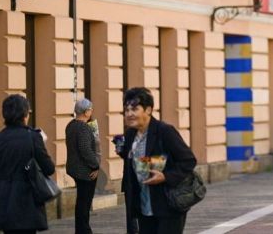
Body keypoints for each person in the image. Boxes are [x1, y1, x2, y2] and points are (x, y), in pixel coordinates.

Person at [120, 87, 197, 234]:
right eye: (126, 110)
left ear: (148, 110)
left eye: (134, 109)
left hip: (167, 205)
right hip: (143, 206)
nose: (129, 114)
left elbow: (188, 160)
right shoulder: (130, 135)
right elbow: (140, 162)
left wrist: (165, 176)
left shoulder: (164, 131)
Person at [0, 94, 56, 234]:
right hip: (28, 203)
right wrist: (41, 145)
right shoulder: (33, 137)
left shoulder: (0, 138)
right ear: (25, 114)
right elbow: (49, 168)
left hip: (4, 202)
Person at [66, 98, 101, 234]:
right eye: (91, 109)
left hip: (74, 168)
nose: (92, 112)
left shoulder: (70, 125)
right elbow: (85, 149)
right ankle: (84, 230)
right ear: (86, 112)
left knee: (81, 202)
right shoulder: (84, 128)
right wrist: (95, 166)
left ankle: (81, 229)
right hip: (85, 171)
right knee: (84, 203)